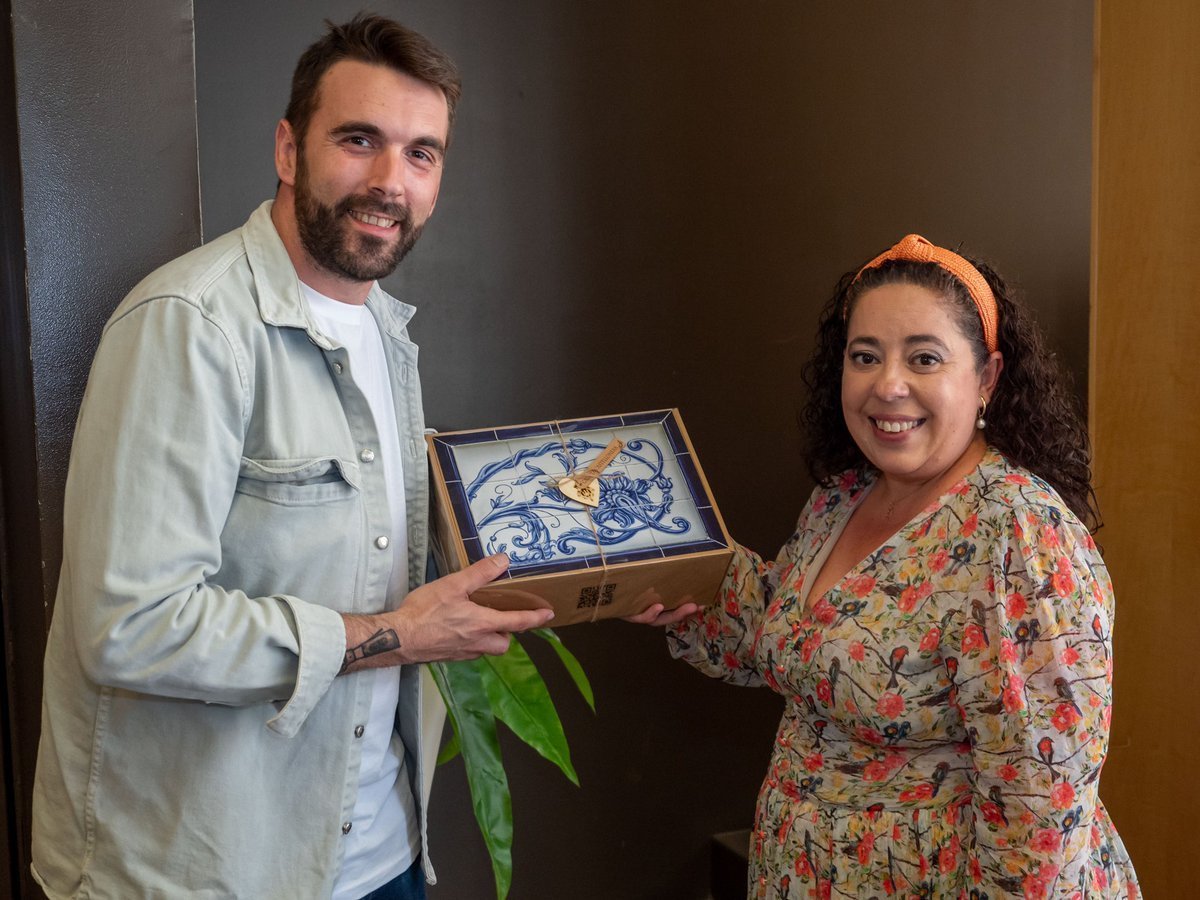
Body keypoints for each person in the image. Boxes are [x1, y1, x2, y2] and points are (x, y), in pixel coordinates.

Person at [30, 14, 552, 900]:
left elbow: (372, 563)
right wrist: (399, 636)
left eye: (422, 154)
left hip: (378, 851)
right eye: (359, 140)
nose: (390, 181)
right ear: (287, 149)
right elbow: (132, 628)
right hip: (209, 871)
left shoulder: (385, 334)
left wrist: (612, 567)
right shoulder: (190, 327)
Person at [631, 234, 1139, 898]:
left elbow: (1041, 808)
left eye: (924, 358)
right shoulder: (842, 497)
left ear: (987, 378)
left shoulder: (1018, 533)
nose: (888, 385)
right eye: (864, 356)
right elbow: (792, 642)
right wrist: (671, 568)